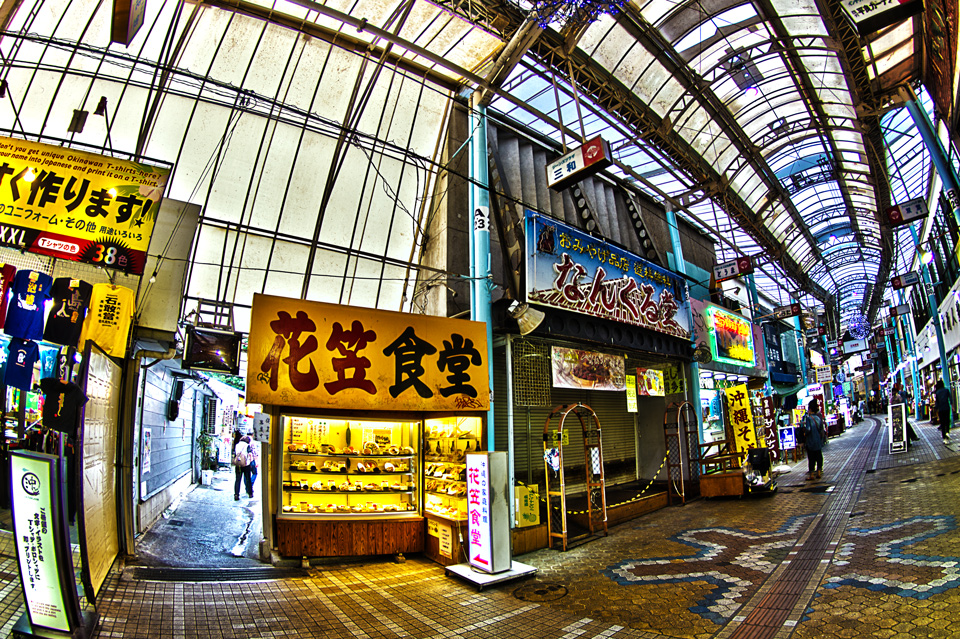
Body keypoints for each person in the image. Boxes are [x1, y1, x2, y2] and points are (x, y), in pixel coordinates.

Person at [802, 398, 827, 481]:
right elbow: (821, 429)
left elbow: (808, 429)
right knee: (819, 456)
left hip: (811, 441)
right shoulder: (818, 418)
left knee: (811, 458)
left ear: (810, 409)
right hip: (818, 441)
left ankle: (812, 475)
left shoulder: (809, 419)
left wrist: (805, 433)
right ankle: (819, 472)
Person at [232, 430, 253, 500]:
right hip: (246, 464)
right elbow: (250, 454)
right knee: (248, 479)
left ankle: (236, 494)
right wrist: (251, 461)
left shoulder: (237, 445)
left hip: (238, 464)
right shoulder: (247, 445)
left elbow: (235, 453)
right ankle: (250, 493)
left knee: (238, 479)